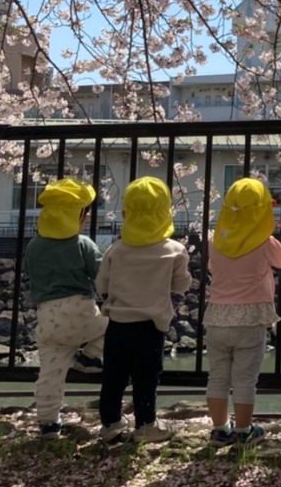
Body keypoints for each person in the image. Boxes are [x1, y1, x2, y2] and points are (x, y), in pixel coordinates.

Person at [95, 176, 192, 444]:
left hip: (118, 323)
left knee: (113, 376)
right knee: (146, 377)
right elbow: (182, 284)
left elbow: (101, 283)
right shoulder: (174, 250)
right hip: (151, 325)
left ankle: (110, 422)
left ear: (127, 212)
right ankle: (146, 423)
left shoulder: (116, 249)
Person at [203, 177, 281, 448]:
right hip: (250, 319)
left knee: (218, 376)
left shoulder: (216, 240)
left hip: (218, 317)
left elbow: (212, 267)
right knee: (244, 378)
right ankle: (244, 431)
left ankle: (220, 430)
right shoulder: (263, 242)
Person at [24, 178, 107, 438]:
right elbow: (101, 276)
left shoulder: (34, 245)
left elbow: (31, 272)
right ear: (79, 216)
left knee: (50, 372)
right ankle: (90, 357)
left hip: (48, 315)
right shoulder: (82, 244)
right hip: (81, 310)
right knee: (117, 324)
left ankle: (48, 422)